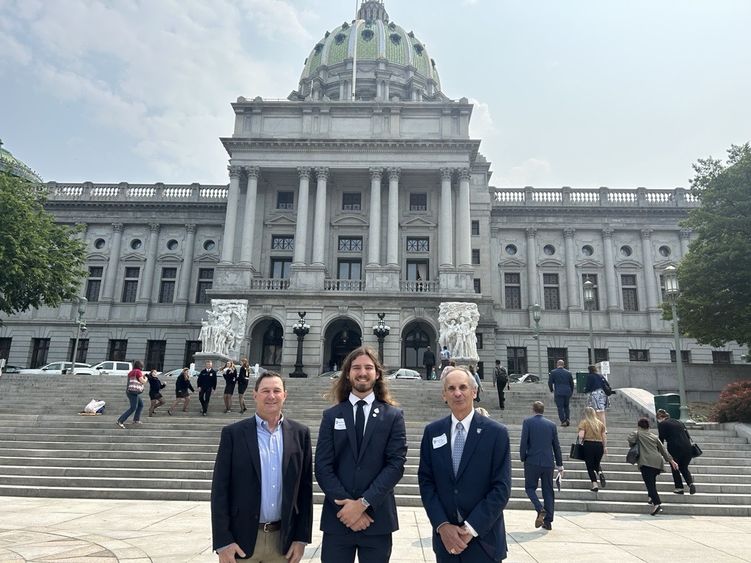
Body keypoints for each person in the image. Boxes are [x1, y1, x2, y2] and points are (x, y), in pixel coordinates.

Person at [315, 346, 407, 563]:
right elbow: (323, 465)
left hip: (377, 519)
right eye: (356, 367)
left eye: (368, 367)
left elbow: (395, 465)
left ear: (377, 373)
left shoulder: (393, 416)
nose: (362, 372)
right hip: (338, 519)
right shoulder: (331, 415)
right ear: (348, 373)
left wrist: (363, 503)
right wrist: (348, 507)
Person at [211, 371, 313, 563]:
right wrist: (223, 542)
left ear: (285, 395)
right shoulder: (233, 434)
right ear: (255, 394)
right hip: (241, 542)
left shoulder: (300, 434)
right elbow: (220, 491)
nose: (271, 396)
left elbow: (305, 492)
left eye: (276, 390)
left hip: (283, 542)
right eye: (265, 391)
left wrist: (301, 539)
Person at [418, 366, 511, 561]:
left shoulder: (496, 433)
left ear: (474, 391)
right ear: (444, 395)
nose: (457, 393)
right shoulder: (432, 432)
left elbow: (501, 488)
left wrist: (470, 529)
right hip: (446, 543)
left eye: (463, 387)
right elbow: (426, 482)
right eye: (451, 389)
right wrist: (442, 526)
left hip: (484, 541)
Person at [519, 401, 563, 530]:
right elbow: (556, 446)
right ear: (543, 410)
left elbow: (524, 442)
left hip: (532, 461)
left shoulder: (528, 422)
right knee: (548, 491)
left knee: (529, 488)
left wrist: (523, 457)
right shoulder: (551, 425)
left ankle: (540, 508)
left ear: (533, 410)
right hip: (548, 462)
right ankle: (548, 522)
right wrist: (560, 464)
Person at [628, 417, 679, 515]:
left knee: (650, 484)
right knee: (652, 481)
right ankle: (651, 497)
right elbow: (663, 449)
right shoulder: (654, 436)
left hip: (646, 462)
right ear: (648, 427)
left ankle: (657, 503)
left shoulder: (637, 433)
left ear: (639, 426)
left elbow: (630, 440)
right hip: (657, 461)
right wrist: (672, 461)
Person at [656, 409, 697, 495]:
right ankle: (691, 484)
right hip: (687, 448)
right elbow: (687, 436)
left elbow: (660, 440)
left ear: (660, 417)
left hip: (675, 448)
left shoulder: (662, 424)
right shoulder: (679, 422)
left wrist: (658, 451)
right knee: (684, 467)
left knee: (675, 466)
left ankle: (679, 487)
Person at [577, 406, 607, 491]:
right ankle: (600, 472)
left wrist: (580, 435)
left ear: (586, 414)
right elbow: (604, 437)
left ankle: (595, 485)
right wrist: (605, 447)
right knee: (596, 464)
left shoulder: (584, 422)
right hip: (599, 446)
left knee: (590, 466)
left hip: (588, 445)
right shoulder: (600, 423)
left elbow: (581, 435)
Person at [116, 360, 146, 428]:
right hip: (133, 392)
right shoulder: (138, 372)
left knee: (140, 405)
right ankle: (120, 421)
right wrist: (146, 378)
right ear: (140, 366)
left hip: (130, 391)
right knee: (133, 408)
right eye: (142, 365)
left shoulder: (131, 372)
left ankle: (136, 420)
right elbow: (143, 381)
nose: (143, 366)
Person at [547, 359, 574, 426]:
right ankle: (567, 418)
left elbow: (550, 382)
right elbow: (572, 383)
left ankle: (563, 421)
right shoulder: (568, 373)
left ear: (557, 364)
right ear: (563, 365)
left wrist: (551, 390)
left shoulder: (553, 372)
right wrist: (571, 391)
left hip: (558, 392)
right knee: (566, 406)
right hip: (567, 392)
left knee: (560, 407)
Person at [584, 364, 609, 428]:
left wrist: (585, 391)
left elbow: (588, 386)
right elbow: (607, 384)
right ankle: (604, 428)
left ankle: (600, 428)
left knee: (597, 412)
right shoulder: (600, 376)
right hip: (603, 394)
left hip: (596, 394)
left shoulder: (590, 376)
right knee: (602, 412)